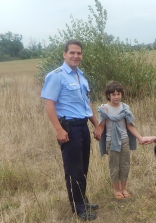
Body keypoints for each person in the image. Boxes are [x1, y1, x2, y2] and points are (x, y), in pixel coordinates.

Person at [41, 39, 100, 221]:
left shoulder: (80, 76)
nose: (76, 56)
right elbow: (49, 104)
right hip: (69, 128)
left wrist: (96, 125)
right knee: (73, 170)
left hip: (82, 126)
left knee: (83, 168)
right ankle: (78, 209)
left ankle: (82, 199)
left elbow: (86, 103)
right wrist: (58, 129)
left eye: (79, 53)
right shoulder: (56, 76)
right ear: (64, 54)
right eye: (72, 53)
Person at [97, 81, 144, 199]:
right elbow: (101, 126)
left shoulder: (125, 108)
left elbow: (130, 125)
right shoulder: (104, 109)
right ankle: (116, 190)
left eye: (118, 94)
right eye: (113, 94)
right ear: (108, 95)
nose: (116, 97)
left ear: (122, 94)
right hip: (111, 141)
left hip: (124, 140)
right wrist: (97, 133)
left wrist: (140, 137)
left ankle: (124, 188)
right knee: (114, 166)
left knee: (125, 165)